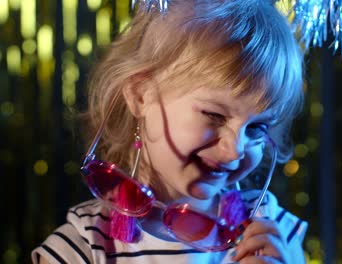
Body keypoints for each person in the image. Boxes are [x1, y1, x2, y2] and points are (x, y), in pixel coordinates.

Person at [32, 0, 308, 263]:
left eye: (257, 127)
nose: (235, 150)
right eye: (214, 115)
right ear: (140, 96)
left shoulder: (273, 235)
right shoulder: (83, 247)